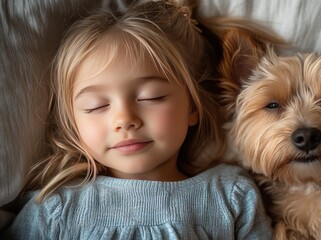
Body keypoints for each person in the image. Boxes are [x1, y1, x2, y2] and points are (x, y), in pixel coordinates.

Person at [2, 1, 272, 239]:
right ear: (73, 124)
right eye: (97, 106)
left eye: (151, 97)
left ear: (193, 106)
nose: (124, 120)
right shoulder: (56, 209)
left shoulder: (231, 195)